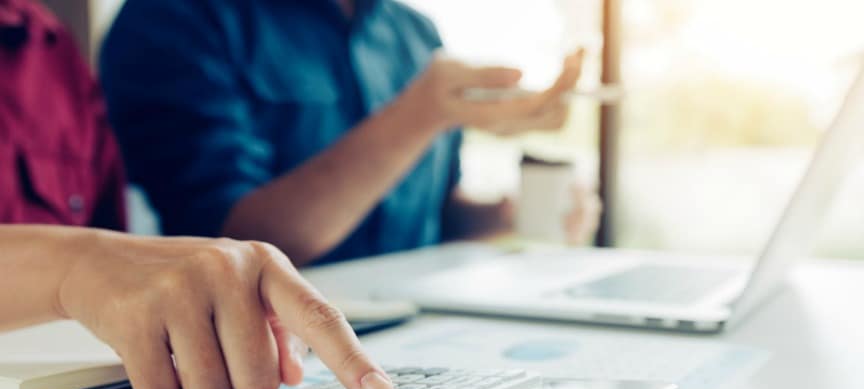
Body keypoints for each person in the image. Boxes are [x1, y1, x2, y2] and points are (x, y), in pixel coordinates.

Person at [0, 0, 391, 389]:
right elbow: (105, 258)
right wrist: (74, 268)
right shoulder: (174, 18)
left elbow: (113, 255)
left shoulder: (44, 42)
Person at [100, 0, 603, 267]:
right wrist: (417, 116)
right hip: (274, 356)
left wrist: (510, 214)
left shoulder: (414, 34)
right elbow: (228, 242)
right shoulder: (177, 18)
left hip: (424, 339)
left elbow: (434, 216)